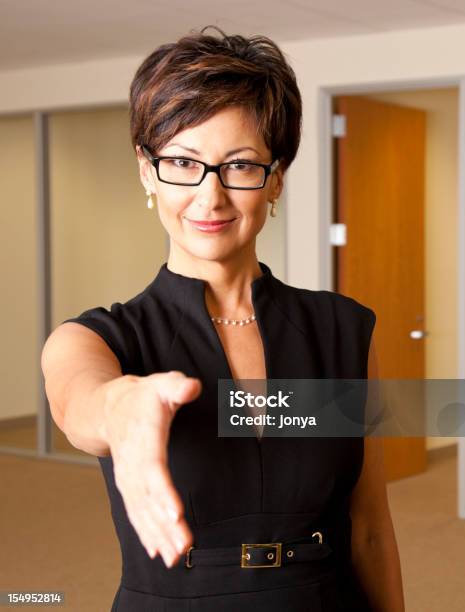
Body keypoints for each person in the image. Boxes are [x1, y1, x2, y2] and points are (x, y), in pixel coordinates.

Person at [41, 25, 405, 612]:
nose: (209, 198)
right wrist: (122, 409)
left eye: (238, 165)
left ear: (276, 177)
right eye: (183, 163)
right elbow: (78, 399)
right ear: (146, 171)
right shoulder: (100, 336)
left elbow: (369, 529)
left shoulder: (344, 330)